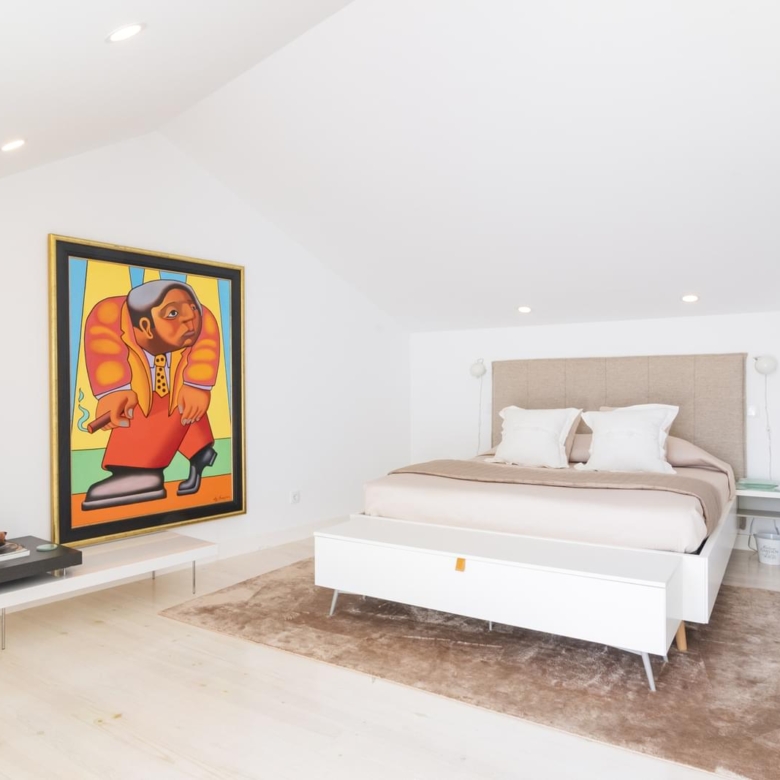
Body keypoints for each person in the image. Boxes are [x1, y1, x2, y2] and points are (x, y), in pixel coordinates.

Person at [81, 279, 220, 510]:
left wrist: (198, 384)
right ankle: (199, 450)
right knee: (134, 403)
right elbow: (104, 349)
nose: (190, 318)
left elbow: (205, 345)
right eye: (172, 313)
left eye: (192, 308)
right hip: (140, 378)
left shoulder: (201, 321)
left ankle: (142, 471)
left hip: (172, 380)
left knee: (177, 399)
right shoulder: (110, 317)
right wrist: (114, 391)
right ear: (145, 326)